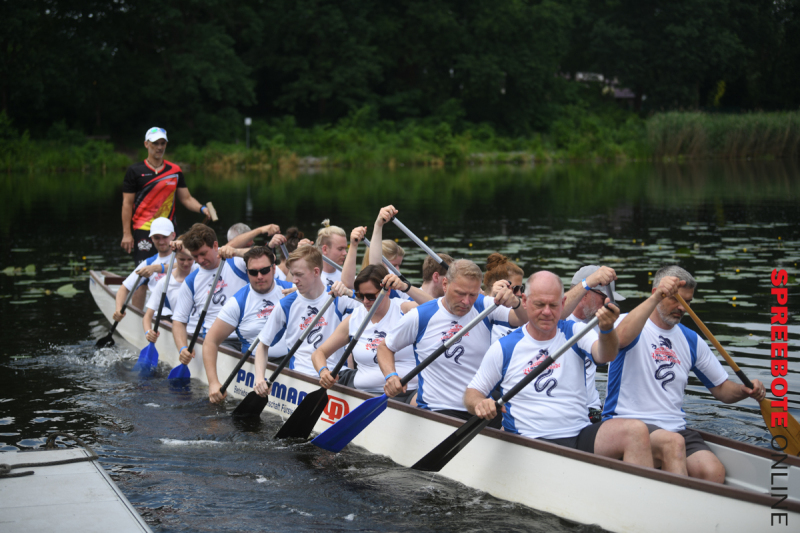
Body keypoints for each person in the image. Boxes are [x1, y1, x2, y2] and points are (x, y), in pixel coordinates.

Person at [464, 271, 654, 468]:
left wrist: (606, 330)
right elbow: (472, 393)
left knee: (636, 431)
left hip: (579, 435)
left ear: (563, 303)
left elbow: (606, 355)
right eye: (540, 305)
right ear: (526, 301)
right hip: (530, 441)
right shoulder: (505, 347)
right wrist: (480, 404)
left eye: (553, 305)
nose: (547, 312)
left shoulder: (575, 332)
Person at [607, 265, 766, 482]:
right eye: (676, 300)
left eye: (688, 303)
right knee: (672, 445)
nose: (683, 308)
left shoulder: (691, 340)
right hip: (627, 427)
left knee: (712, 471)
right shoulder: (625, 322)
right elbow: (621, 339)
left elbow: (722, 390)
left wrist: (745, 390)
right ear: (656, 294)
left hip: (675, 430)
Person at [378, 259, 528, 425]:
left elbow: (523, 320)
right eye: (460, 293)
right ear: (445, 284)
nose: (466, 302)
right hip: (438, 411)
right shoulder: (421, 316)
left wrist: (516, 303)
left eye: (472, 295)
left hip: (480, 407)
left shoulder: (485, 307)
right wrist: (391, 376)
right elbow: (385, 346)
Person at [253, 246, 360, 396]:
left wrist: (349, 292)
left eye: (299, 275)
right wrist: (259, 378)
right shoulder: (286, 305)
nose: (294, 280)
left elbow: (374, 309)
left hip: (338, 374)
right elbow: (262, 345)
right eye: (292, 274)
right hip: (303, 377)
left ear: (316, 272)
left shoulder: (337, 297)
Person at [312, 265, 421, 403]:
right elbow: (319, 353)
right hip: (364, 395)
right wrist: (323, 372)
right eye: (360, 295)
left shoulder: (405, 310)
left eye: (370, 296)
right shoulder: (355, 318)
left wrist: (406, 287)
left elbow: (437, 308)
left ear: (387, 291)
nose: (364, 302)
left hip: (407, 393)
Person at [203, 246, 294, 403]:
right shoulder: (238, 302)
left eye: (264, 270)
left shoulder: (291, 291)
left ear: (274, 269)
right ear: (247, 273)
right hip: (255, 366)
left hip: (292, 363)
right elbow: (210, 342)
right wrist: (213, 383)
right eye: (253, 272)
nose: (259, 276)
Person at [121, 127, 211, 262]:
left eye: (162, 143)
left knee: (176, 267)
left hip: (169, 229)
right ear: (146, 144)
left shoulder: (175, 170)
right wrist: (127, 234)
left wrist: (202, 208)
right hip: (144, 229)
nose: (159, 147)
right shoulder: (135, 171)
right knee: (145, 270)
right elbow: (127, 204)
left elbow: (186, 199)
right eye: (155, 143)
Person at [170, 223, 250, 366]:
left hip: (249, 335)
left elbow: (266, 255)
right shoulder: (191, 281)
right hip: (219, 341)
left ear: (215, 246)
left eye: (203, 253)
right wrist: (182, 348)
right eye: (195, 256)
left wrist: (236, 251)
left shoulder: (237, 263)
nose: (200, 261)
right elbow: (178, 321)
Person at [567, 265, 627, 423]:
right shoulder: (554, 322)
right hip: (567, 412)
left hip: (593, 410)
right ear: (585, 294)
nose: (608, 304)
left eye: (611, 299)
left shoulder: (603, 321)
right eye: (603, 298)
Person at [113, 217, 176, 320]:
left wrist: (157, 268)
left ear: (173, 235)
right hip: (159, 316)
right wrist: (119, 309)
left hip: (181, 314)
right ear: (151, 239)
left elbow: (186, 266)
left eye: (164, 237)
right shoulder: (148, 263)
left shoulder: (183, 258)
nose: (161, 241)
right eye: (156, 237)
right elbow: (124, 289)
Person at [142, 243, 197, 341]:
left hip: (202, 329)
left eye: (190, 259)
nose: (186, 264)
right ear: (175, 257)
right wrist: (148, 332)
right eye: (182, 259)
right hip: (182, 330)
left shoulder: (199, 271)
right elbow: (148, 316)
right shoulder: (164, 282)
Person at [483, 253, 525, 342]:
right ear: (498, 285)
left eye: (521, 288)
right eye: (515, 288)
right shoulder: (478, 308)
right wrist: (493, 297)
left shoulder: (523, 311)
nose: (519, 293)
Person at [364, 205, 405, 270]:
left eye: (398, 266)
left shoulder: (399, 279)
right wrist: (378, 225)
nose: (398, 271)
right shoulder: (376, 273)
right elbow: (376, 267)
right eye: (393, 266)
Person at [316, 220, 348, 287]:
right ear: (325, 249)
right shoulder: (311, 277)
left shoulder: (348, 278)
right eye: (340, 249)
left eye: (345, 249)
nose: (345, 253)